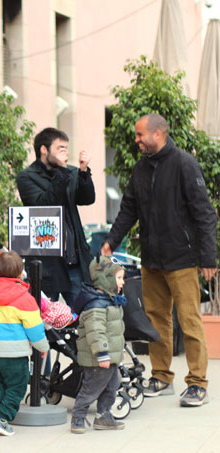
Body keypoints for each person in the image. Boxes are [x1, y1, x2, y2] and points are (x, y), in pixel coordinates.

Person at [101, 113, 217, 407]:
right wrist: (111, 240)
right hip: (151, 259)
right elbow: (128, 208)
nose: (137, 139)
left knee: (189, 320)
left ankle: (197, 383)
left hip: (183, 259)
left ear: (158, 134)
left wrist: (208, 257)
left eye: (140, 135)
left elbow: (204, 214)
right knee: (156, 320)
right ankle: (162, 376)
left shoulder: (184, 165)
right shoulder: (141, 168)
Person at [16, 127, 95, 306]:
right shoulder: (26, 177)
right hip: (46, 263)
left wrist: (83, 172)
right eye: (60, 148)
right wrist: (62, 172)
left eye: (66, 148)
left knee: (83, 314)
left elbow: (87, 199)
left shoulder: (71, 172)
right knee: (44, 319)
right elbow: (44, 206)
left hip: (73, 260)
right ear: (44, 150)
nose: (65, 152)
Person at [0, 251, 49, 436]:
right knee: (17, 387)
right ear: (20, 273)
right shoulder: (24, 298)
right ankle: (3, 418)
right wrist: (43, 347)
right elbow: (34, 328)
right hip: (16, 355)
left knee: (1, 383)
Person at [70, 256, 127, 434]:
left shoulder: (109, 300)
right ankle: (78, 418)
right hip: (99, 358)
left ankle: (103, 415)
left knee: (112, 386)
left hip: (111, 358)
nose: (123, 282)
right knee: (90, 389)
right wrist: (102, 353)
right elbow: (96, 332)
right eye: (119, 278)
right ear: (106, 279)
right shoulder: (96, 305)